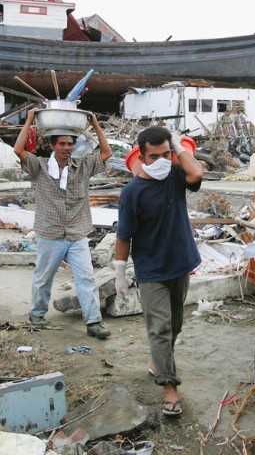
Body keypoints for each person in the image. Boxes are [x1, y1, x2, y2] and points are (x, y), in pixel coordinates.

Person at [113, 126, 203, 416]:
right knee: (160, 328)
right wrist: (120, 271)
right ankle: (169, 388)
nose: (163, 160)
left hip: (180, 262)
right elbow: (124, 236)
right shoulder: (132, 192)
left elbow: (197, 175)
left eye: (167, 154)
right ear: (142, 156)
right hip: (151, 270)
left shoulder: (176, 176)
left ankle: (157, 362)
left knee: (175, 325)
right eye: (155, 156)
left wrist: (177, 145)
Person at [13, 110, 113, 339]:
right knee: (43, 278)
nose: (67, 148)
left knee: (86, 278)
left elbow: (106, 152)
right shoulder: (39, 167)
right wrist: (29, 120)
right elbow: (18, 150)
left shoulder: (83, 166)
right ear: (53, 146)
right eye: (62, 144)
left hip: (77, 233)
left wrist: (95, 123)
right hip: (50, 234)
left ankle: (93, 322)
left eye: (70, 144)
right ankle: (37, 316)